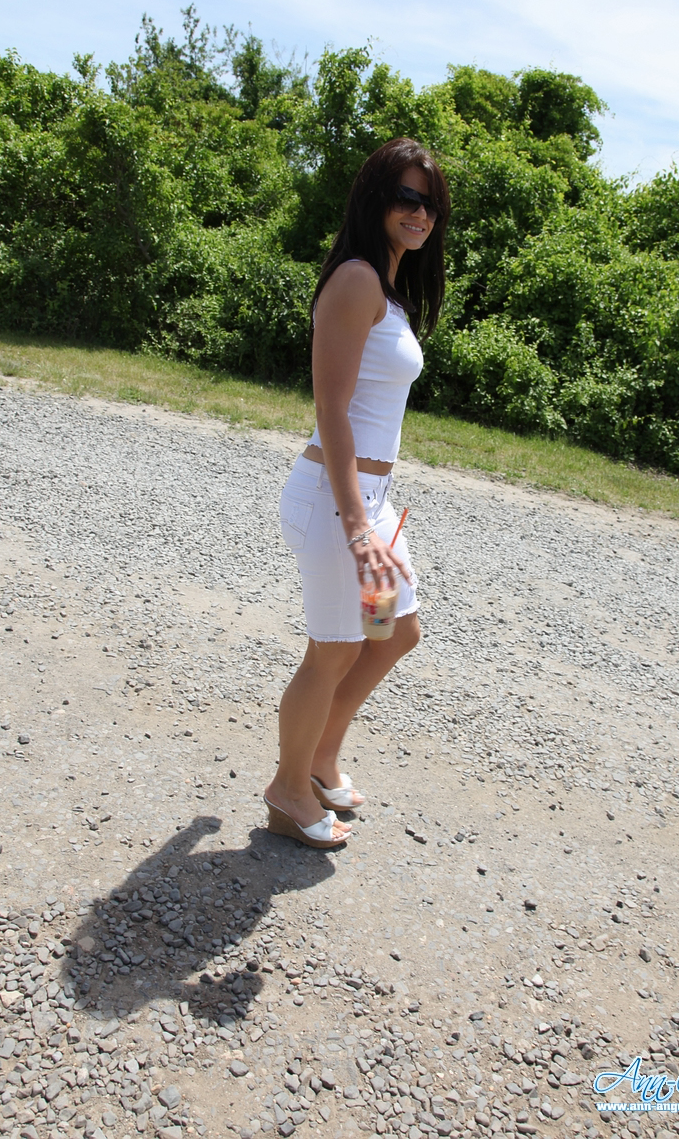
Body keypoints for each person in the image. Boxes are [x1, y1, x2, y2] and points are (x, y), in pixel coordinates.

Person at [264, 137, 450, 848]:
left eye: (429, 203)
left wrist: (370, 515)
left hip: (368, 499)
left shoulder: (388, 290)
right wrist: (355, 526)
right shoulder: (355, 280)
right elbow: (332, 410)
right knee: (334, 650)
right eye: (405, 197)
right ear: (375, 200)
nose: (419, 212)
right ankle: (288, 791)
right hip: (334, 501)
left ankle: (319, 759)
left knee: (396, 631)